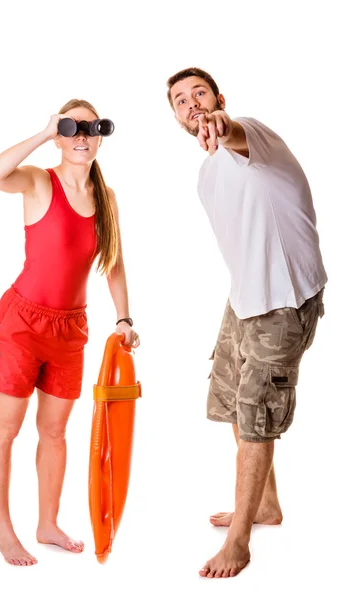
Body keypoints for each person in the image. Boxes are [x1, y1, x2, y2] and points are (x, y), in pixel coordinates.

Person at [166, 67, 327, 578]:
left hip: (282, 304)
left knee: (257, 420)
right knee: (235, 404)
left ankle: (239, 543)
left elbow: (231, 129)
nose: (192, 105)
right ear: (174, 117)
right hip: (245, 301)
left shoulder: (251, 135)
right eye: (180, 101)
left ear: (219, 99)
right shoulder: (206, 173)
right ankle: (265, 505)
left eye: (200, 95)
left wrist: (223, 122)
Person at [0, 99, 140, 567]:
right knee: (5, 430)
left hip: (71, 328)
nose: (81, 136)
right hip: (21, 324)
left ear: (100, 135)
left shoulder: (105, 199)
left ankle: (46, 523)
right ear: (60, 135)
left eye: (90, 127)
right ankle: (2, 531)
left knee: (54, 432)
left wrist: (124, 318)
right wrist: (43, 131)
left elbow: (113, 264)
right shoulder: (37, 181)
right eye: (71, 128)